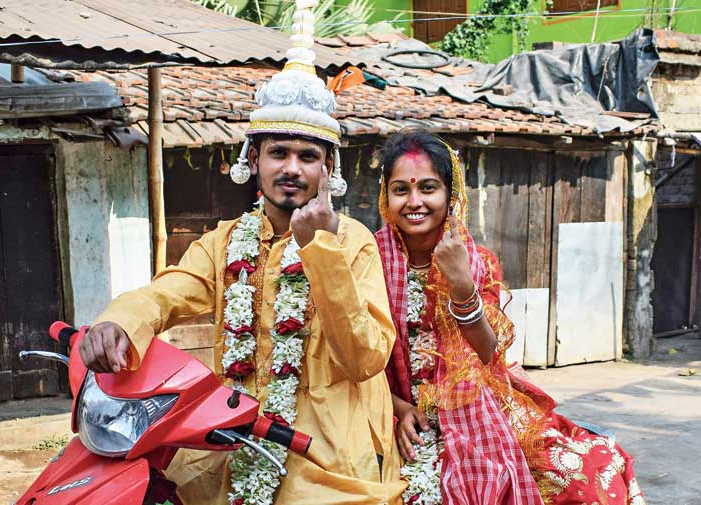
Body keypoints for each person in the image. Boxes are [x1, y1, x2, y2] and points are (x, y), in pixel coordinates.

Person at [79, 2, 406, 504]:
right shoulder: (224, 241)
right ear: (253, 160)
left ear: (327, 169)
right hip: (231, 446)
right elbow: (167, 293)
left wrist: (319, 250)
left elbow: (365, 357)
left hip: (328, 461)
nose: (292, 168)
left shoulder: (354, 241)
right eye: (279, 152)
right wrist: (119, 321)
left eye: (308, 156)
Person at [374, 130, 645, 505]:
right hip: (389, 409)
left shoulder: (477, 260)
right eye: (401, 189)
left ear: (450, 196)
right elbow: (351, 351)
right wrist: (394, 406)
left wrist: (461, 283)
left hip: (473, 408)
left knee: (593, 466)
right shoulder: (366, 259)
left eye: (429, 188)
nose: (414, 201)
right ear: (386, 196)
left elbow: (487, 351)